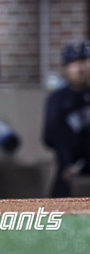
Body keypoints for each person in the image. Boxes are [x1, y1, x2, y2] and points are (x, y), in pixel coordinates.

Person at [43, 40, 90, 197]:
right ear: (66, 67)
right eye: (74, 63)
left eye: (83, 62)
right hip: (68, 170)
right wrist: (67, 162)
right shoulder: (57, 100)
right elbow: (50, 137)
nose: (80, 68)